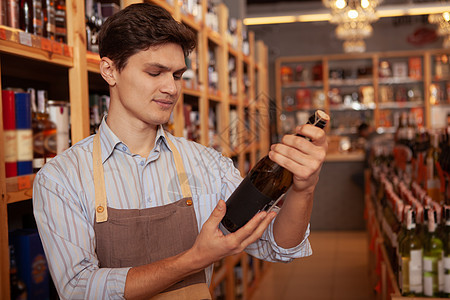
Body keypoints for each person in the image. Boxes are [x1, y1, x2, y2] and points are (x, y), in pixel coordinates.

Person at [32, 3, 328, 299]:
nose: (171, 89)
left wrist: (303, 190)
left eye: (176, 75)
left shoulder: (208, 164)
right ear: (110, 71)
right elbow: (78, 289)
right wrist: (193, 259)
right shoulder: (61, 178)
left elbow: (276, 245)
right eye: (155, 72)